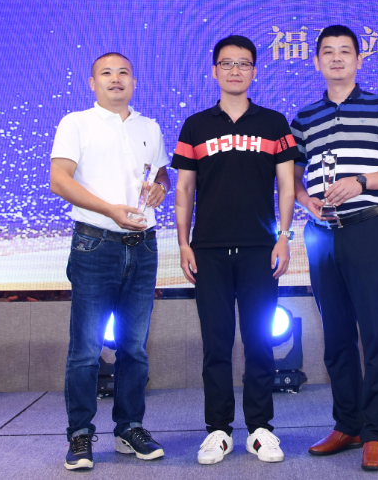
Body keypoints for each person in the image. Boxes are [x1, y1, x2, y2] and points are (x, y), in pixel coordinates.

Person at [290, 25, 378, 472]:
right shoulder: (304, 118)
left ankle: (377, 433)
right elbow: (292, 177)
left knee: (377, 332)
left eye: (345, 51)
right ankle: (348, 425)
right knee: (337, 334)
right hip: (322, 234)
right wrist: (306, 202)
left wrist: (361, 181)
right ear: (317, 62)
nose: (337, 58)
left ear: (359, 60)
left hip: (368, 228)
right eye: (328, 52)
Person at [172, 35, 300, 465]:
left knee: (260, 341)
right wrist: (183, 243)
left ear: (254, 71)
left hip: (260, 249)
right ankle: (218, 431)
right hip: (208, 251)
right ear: (214, 71)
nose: (235, 71)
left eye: (243, 64)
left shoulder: (273, 123)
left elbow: (286, 186)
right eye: (227, 63)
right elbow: (184, 190)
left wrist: (284, 236)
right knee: (216, 344)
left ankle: (261, 429)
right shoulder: (196, 126)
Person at [49, 52, 170, 471]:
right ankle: (80, 433)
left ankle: (129, 427)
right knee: (86, 348)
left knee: (134, 347)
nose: (115, 79)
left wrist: (161, 186)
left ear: (134, 81)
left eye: (123, 73)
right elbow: (59, 180)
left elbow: (160, 174)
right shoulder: (76, 123)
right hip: (95, 244)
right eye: (106, 73)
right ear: (92, 82)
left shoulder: (149, 127)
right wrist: (110, 210)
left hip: (144, 244)